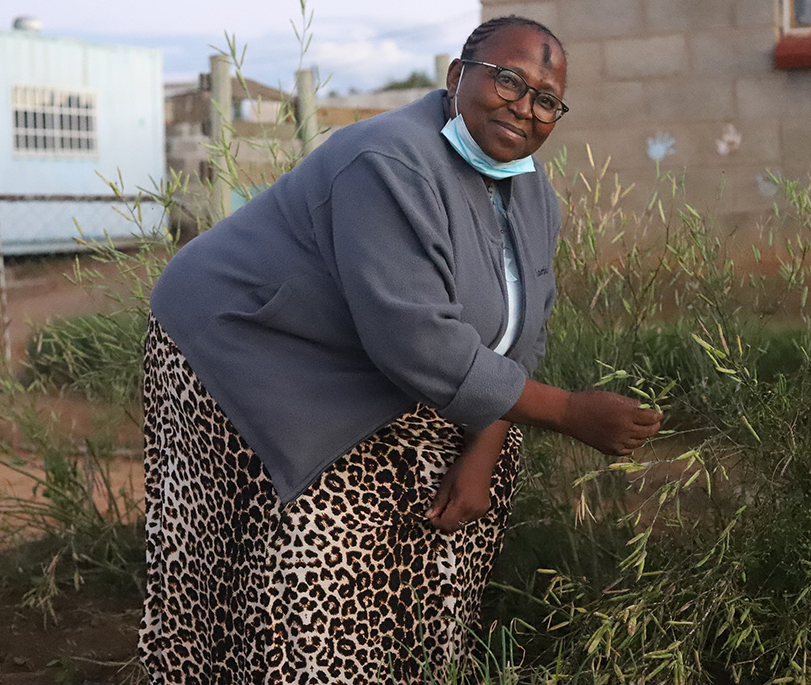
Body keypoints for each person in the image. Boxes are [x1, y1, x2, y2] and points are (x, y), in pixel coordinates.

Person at [138, 15, 662, 684]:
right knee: (289, 552)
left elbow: (520, 332)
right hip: (242, 338)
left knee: (449, 505)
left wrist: (487, 440)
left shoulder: (533, 199)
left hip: (357, 352)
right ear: (456, 78)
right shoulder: (387, 160)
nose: (525, 108)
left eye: (546, 99)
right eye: (509, 80)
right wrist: (567, 413)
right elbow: (415, 341)